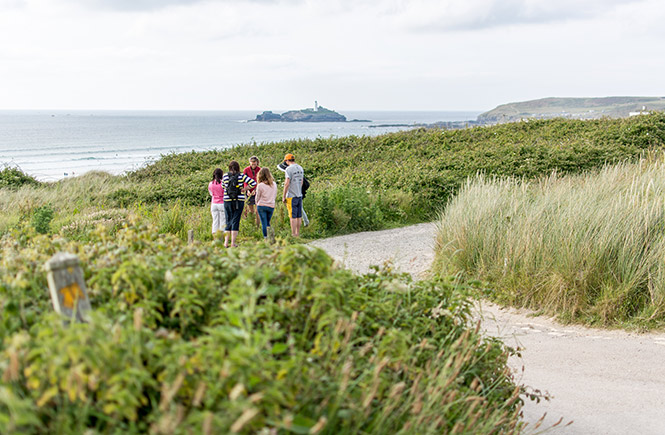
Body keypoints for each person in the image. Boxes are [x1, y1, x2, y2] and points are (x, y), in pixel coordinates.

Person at [223, 160, 256, 247]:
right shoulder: (242, 176)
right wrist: (245, 189)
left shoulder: (225, 176)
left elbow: (223, 186)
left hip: (227, 200)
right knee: (235, 220)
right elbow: (253, 183)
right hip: (239, 200)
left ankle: (226, 243)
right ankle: (233, 243)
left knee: (228, 220)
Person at [281, 153, 304, 237]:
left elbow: (287, 183)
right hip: (299, 194)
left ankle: (293, 234)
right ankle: (298, 233)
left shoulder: (288, 169)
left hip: (291, 195)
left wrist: (284, 196)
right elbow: (301, 181)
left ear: (287, 161)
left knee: (292, 216)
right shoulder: (300, 168)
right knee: (298, 215)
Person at [255, 167, 277, 243]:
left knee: (263, 222)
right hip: (271, 205)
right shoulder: (274, 184)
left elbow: (257, 197)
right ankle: (271, 237)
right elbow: (275, 195)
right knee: (268, 222)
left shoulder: (260, 185)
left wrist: (256, 204)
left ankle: (266, 238)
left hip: (262, 205)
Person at [242, 156, 261, 226]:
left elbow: (260, 181)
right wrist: (247, 190)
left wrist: (256, 190)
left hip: (257, 190)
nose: (253, 165)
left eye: (254, 164)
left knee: (257, 210)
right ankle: (252, 224)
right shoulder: (246, 170)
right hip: (249, 190)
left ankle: (258, 225)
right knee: (251, 210)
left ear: (257, 163)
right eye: (252, 164)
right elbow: (244, 181)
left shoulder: (259, 170)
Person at [208, 168, 225, 240]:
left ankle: (215, 238)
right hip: (222, 203)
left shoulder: (211, 183)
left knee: (215, 221)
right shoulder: (223, 183)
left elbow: (211, 194)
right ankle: (221, 238)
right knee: (222, 221)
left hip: (214, 203)